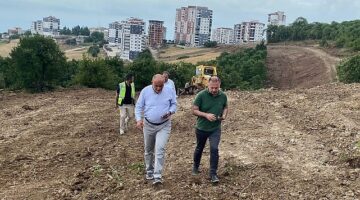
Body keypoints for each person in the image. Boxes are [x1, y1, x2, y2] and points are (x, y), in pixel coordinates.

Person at [135, 74, 177, 185]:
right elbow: (139, 106)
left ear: (164, 83)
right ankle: (149, 170)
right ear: (152, 82)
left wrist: (170, 112)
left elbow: (174, 104)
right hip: (148, 125)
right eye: (156, 86)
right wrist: (139, 120)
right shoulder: (145, 91)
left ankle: (157, 175)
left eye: (161, 86)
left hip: (164, 125)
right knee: (148, 150)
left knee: (160, 149)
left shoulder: (169, 90)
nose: (158, 88)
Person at [191, 76, 228, 183]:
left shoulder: (223, 96)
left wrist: (224, 115)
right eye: (212, 88)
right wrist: (206, 115)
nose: (214, 90)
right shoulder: (201, 95)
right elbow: (194, 110)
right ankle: (195, 166)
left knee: (214, 149)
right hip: (202, 128)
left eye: (216, 88)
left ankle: (213, 174)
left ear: (219, 85)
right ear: (208, 85)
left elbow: (225, 107)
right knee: (199, 148)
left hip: (215, 128)